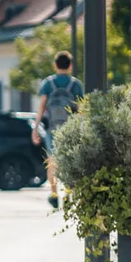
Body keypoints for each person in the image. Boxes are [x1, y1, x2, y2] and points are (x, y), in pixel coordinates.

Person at [36, 51, 83, 210]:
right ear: (70, 65)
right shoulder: (76, 84)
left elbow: (42, 107)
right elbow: (81, 108)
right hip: (70, 128)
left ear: (55, 65)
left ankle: (55, 195)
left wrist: (35, 128)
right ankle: (69, 195)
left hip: (52, 128)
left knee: (52, 161)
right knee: (70, 161)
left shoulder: (48, 84)